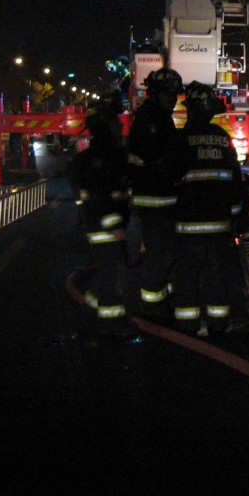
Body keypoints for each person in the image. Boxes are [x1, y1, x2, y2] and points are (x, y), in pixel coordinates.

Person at [173, 81, 244, 336]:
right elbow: (236, 182)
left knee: (187, 274)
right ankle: (218, 323)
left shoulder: (180, 140)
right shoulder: (224, 140)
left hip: (187, 224)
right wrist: (238, 217)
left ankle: (186, 324)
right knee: (216, 274)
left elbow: (170, 179)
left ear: (190, 111)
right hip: (219, 224)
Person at [68, 99, 132, 336]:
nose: (119, 124)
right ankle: (110, 325)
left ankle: (93, 307)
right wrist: (114, 226)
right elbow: (101, 196)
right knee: (111, 275)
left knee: (108, 271)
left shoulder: (104, 154)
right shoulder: (106, 157)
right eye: (115, 121)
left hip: (102, 223)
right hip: (105, 226)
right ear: (105, 126)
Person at [128, 67, 184, 322]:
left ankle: (161, 298)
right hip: (154, 198)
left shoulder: (159, 117)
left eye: (174, 96)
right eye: (167, 96)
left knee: (166, 250)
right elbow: (157, 157)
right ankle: (151, 305)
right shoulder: (151, 119)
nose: (172, 101)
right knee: (159, 252)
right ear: (155, 94)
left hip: (162, 197)